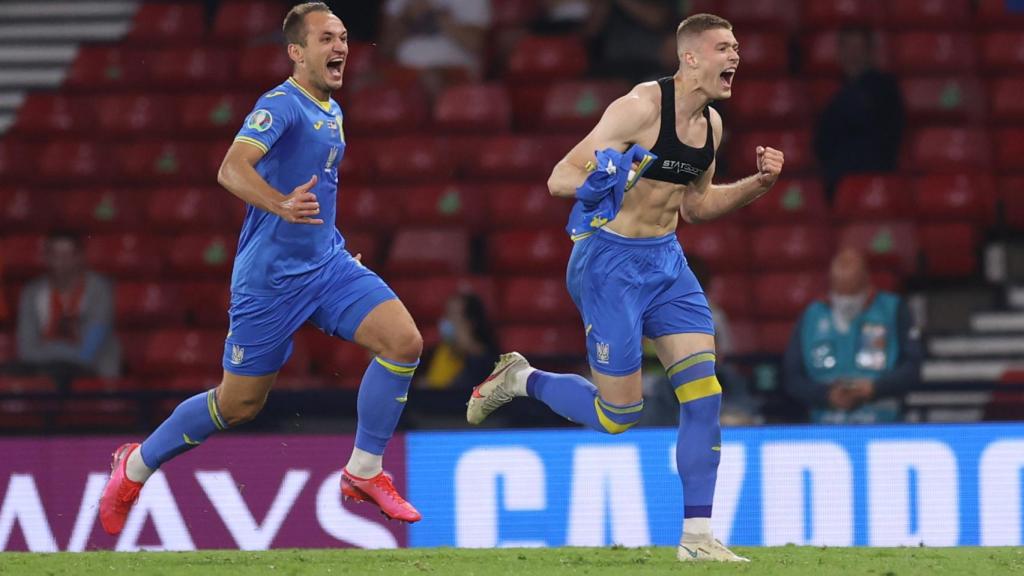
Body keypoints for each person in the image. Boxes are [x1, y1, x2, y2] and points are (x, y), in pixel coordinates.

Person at [467, 13, 784, 562]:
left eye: (737, 47)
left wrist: (758, 186)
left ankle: (698, 540)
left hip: (666, 263)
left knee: (705, 397)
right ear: (691, 58)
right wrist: (602, 180)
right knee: (619, 416)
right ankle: (522, 378)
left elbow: (697, 207)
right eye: (724, 48)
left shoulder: (711, 126)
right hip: (609, 264)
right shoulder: (639, 107)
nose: (736, 57)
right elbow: (558, 177)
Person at [99, 2, 424, 535]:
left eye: (342, 37)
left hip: (327, 267)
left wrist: (333, 243)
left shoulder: (331, 111)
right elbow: (231, 168)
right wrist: (280, 205)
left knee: (404, 342)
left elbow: (320, 193)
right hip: (269, 282)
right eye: (326, 39)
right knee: (239, 404)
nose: (340, 46)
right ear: (297, 53)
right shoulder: (281, 104)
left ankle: (364, 471)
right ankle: (134, 466)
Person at [782, 249, 921, 424]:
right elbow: (792, 378)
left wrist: (876, 388)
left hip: (884, 427)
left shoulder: (893, 310)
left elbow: (912, 368)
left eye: (853, 293)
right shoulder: (812, 316)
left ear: (867, 283)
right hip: (825, 431)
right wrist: (827, 396)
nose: (847, 301)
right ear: (831, 286)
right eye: (840, 293)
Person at [814, 26, 904, 201]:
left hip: (876, 182)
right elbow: (822, 143)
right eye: (847, 48)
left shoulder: (885, 89)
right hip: (837, 184)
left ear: (869, 52)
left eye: (858, 49)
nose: (852, 55)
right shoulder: (834, 95)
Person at [16, 231, 120, 381]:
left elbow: (90, 351)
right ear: (46, 257)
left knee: (61, 374)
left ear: (80, 257)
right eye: (55, 255)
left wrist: (53, 353)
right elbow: (26, 350)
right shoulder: (31, 292)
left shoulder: (100, 290)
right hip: (42, 367)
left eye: (68, 255)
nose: (61, 261)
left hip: (91, 369)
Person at [380, 0, 491, 86]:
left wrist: (440, 17)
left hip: (454, 70)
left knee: (431, 78)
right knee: (366, 79)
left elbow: (477, 44)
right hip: (405, 71)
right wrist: (405, 18)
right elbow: (385, 50)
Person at [420, 292, 500, 390]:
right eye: (446, 314)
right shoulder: (433, 353)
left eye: (453, 315)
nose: (447, 320)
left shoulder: (486, 360)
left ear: (471, 322)